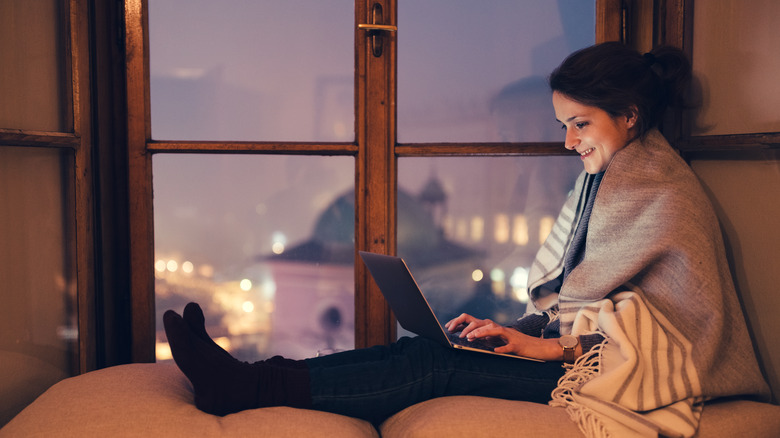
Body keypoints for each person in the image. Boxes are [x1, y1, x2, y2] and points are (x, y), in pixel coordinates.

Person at [163, 42, 769, 437]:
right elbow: (600, 306)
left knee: (433, 362)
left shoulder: (659, 194)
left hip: (630, 378)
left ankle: (247, 386)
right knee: (420, 346)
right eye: (564, 125)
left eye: (579, 124)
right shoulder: (618, 179)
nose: (568, 142)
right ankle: (254, 375)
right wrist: (522, 332)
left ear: (630, 114)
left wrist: (539, 348)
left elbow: (668, 335)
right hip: (591, 357)